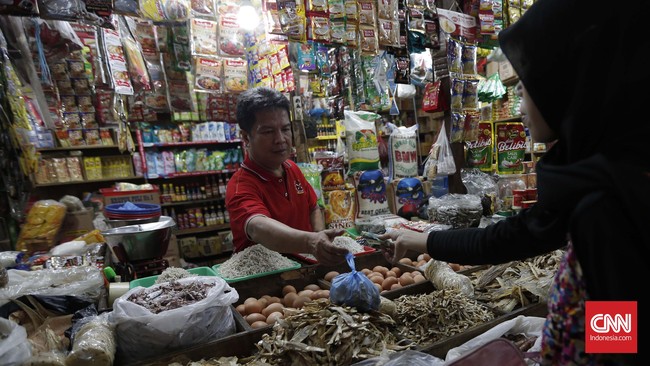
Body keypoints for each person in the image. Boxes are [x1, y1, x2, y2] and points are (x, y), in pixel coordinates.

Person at [380, 0, 648, 364]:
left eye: (525, 88)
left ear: (566, 87)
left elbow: (618, 339)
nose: (519, 105)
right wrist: (423, 240)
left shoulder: (604, 205)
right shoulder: (598, 175)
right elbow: (524, 233)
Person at [225, 87, 348, 265]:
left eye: (285, 129)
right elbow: (259, 227)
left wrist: (319, 238)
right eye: (268, 132)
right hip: (267, 278)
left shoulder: (291, 168)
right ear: (246, 136)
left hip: (305, 267)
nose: (280, 139)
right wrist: (311, 242)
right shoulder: (241, 186)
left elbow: (313, 207)